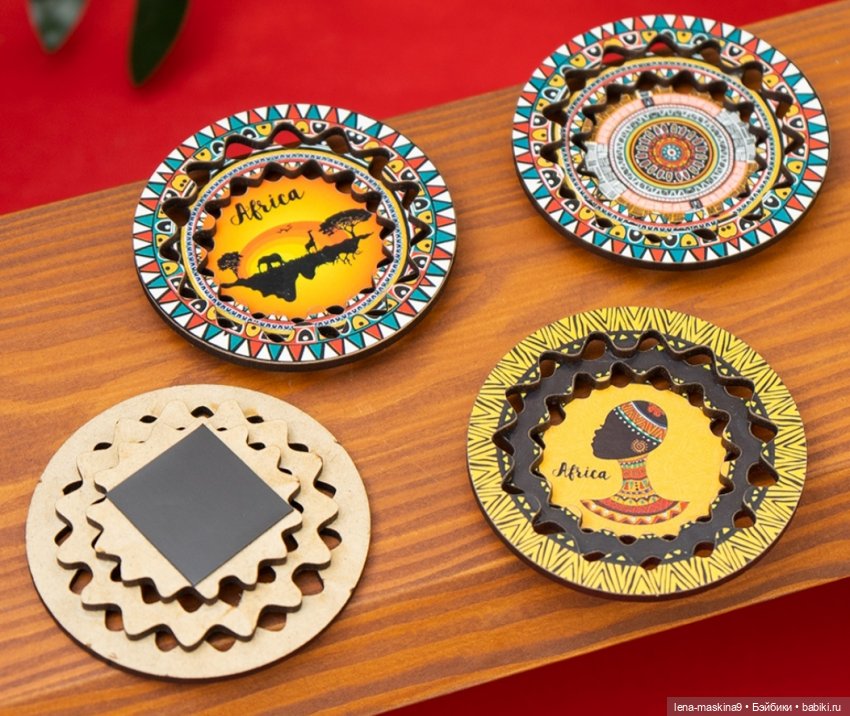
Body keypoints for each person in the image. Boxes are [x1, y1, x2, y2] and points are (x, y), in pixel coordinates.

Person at [581, 400, 688, 526]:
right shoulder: (674, 510)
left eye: (608, 429)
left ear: (638, 446)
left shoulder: (675, 511)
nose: (597, 432)